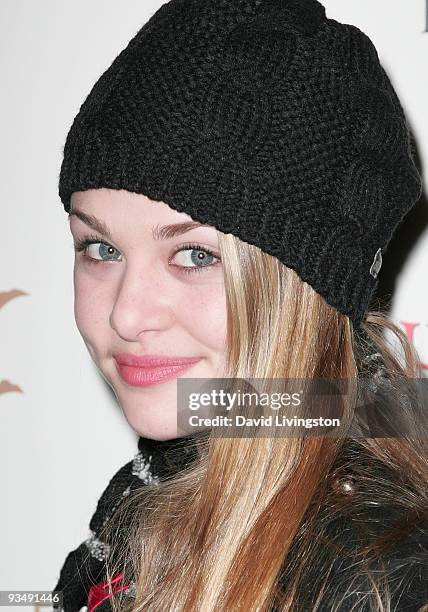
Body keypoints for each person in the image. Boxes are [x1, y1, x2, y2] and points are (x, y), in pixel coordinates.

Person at [52, 0, 428, 610]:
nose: (126, 314)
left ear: (306, 288)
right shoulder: (145, 503)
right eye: (100, 247)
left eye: (196, 256)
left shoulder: (383, 576)